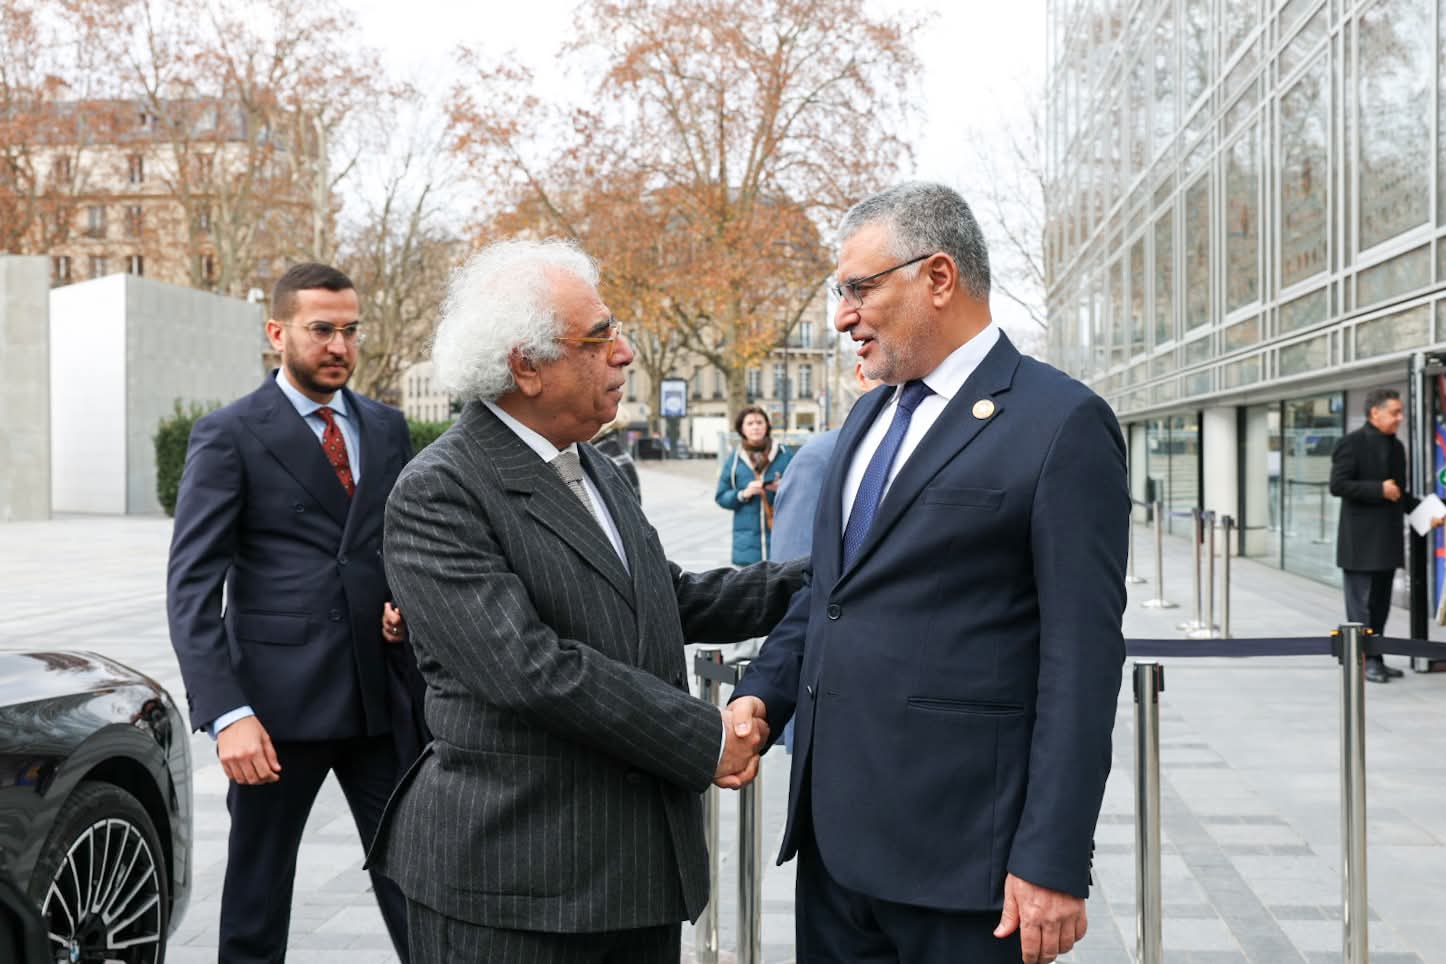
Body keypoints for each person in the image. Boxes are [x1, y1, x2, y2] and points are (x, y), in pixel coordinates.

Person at [366, 238, 805, 963]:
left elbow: (664, 598)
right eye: (598, 338)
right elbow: (529, 669)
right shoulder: (439, 489)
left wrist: (821, 578)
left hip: (636, 878)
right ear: (526, 365)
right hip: (517, 890)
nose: (624, 354)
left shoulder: (596, 466)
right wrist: (705, 737)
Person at [729, 182, 1129, 964]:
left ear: (938, 277)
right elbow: (831, 593)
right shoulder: (867, 416)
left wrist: (1052, 858)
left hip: (965, 870)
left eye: (858, 289)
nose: (842, 316)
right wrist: (762, 694)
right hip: (835, 856)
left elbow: (1083, 660)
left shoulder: (1062, 422)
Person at [166, 262, 419, 963]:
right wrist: (227, 714)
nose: (339, 346)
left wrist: (406, 608)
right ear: (277, 333)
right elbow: (191, 587)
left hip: (380, 698)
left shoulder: (387, 427)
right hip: (274, 713)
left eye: (350, 330)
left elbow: (399, 547)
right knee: (257, 899)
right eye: (321, 330)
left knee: (421, 884)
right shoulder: (230, 433)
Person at [1329, 388, 1444, 683]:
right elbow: (1338, 485)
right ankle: (1364, 660)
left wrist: (1428, 514)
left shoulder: (1396, 447)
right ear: (1374, 413)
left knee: (1380, 607)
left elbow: (1399, 495)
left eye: (1400, 412)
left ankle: (1376, 657)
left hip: (1387, 540)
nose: (1400, 418)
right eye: (1394, 412)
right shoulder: (1351, 444)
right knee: (1361, 608)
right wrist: (1378, 489)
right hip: (1359, 544)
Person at [715, 405, 794, 564]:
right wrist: (743, 494)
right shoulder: (735, 459)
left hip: (780, 541)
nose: (755, 427)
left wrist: (782, 488)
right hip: (747, 548)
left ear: (767, 426)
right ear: (742, 429)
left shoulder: (785, 454)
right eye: (750, 423)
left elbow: (802, 491)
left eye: (759, 422)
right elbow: (721, 496)